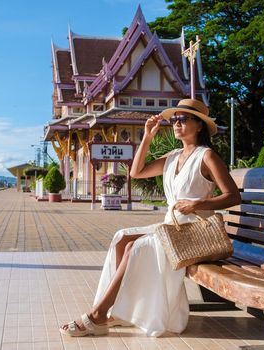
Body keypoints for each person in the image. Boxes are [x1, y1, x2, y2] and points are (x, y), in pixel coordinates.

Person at [60, 98, 241, 337]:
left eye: (183, 119)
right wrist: (147, 136)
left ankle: (98, 315)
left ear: (199, 126)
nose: (177, 123)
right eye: (175, 119)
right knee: (122, 238)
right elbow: (137, 172)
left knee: (136, 247)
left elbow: (233, 196)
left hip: (195, 229)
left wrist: (200, 203)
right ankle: (119, 311)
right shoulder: (173, 156)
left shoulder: (207, 156)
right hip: (172, 224)